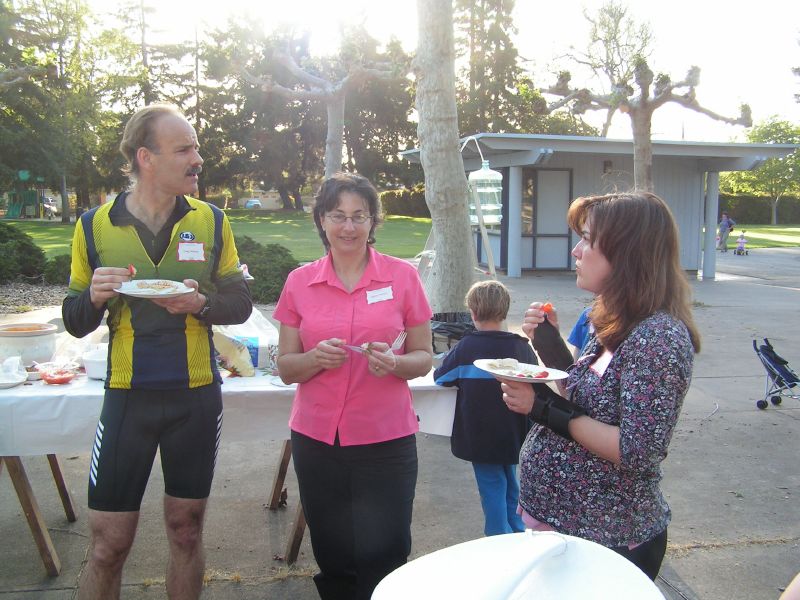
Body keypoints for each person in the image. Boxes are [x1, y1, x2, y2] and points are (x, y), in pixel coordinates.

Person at [62, 103, 252, 600]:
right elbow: (75, 320)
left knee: (186, 531)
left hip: (195, 396)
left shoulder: (211, 220)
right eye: (185, 149)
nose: (197, 160)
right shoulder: (94, 226)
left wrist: (201, 303)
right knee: (108, 544)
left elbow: (239, 303)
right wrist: (95, 296)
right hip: (128, 396)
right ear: (146, 157)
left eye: (196, 148)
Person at [505, 191, 700, 581]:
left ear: (628, 252)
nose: (577, 251)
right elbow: (588, 393)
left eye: (588, 239)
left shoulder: (658, 337)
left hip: (607, 541)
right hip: (570, 529)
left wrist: (541, 408)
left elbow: (637, 449)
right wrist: (550, 345)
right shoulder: (613, 318)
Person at [273, 172, 433, 600]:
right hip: (317, 439)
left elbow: (424, 356)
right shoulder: (299, 282)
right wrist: (313, 359)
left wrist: (395, 363)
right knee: (333, 551)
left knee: (387, 551)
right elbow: (286, 368)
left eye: (359, 216)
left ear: (373, 221)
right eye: (337, 216)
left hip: (385, 439)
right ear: (321, 221)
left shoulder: (402, 278)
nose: (348, 227)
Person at [433, 280, 534, 536]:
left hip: (481, 434)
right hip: (514, 430)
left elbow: (441, 377)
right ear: (505, 311)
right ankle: (517, 529)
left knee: (491, 484)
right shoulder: (521, 346)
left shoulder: (467, 347)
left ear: (473, 314)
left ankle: (498, 536)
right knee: (510, 480)